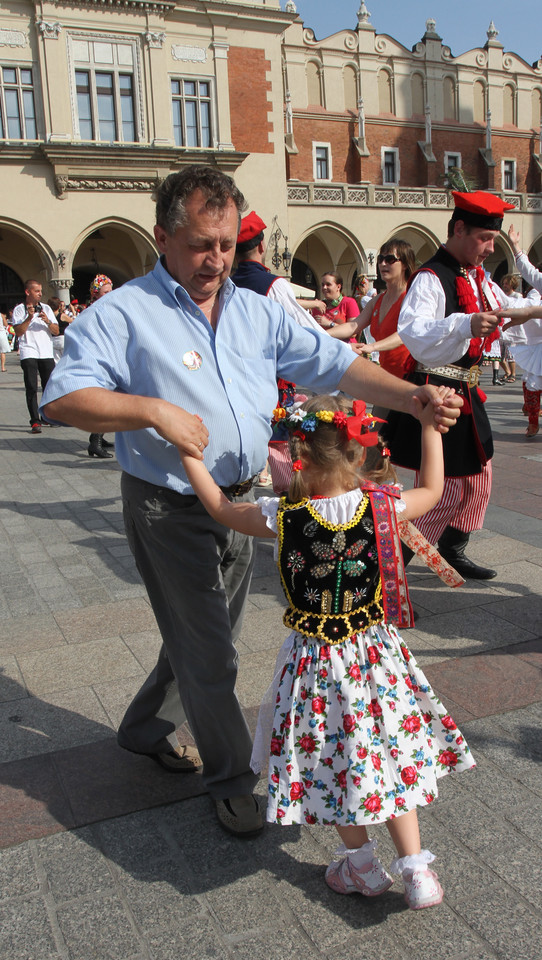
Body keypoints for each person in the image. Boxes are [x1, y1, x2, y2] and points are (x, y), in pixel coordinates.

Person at [41, 165, 462, 839]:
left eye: (227, 245)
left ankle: (144, 725)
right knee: (211, 648)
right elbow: (62, 397)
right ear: (162, 237)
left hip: (247, 498)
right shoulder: (123, 312)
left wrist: (407, 396)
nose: (216, 260)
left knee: (205, 635)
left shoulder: (255, 308)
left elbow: (331, 363)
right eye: (201, 244)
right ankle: (234, 781)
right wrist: (152, 411)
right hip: (168, 503)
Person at [180, 394, 474, 907]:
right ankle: (417, 872)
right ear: (361, 456)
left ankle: (361, 866)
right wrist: (430, 428)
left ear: (298, 457)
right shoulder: (384, 505)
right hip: (376, 658)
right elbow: (434, 487)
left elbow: (222, 509)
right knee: (388, 752)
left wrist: (188, 455)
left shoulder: (283, 514)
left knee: (330, 758)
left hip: (313, 664)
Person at [384, 190, 535, 580]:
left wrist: (527, 313)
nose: (489, 248)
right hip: (439, 391)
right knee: (444, 489)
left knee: (479, 478)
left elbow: (508, 312)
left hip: (467, 391)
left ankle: (453, 548)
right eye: (484, 238)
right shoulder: (433, 276)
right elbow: (413, 332)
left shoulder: (476, 276)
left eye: (493, 240)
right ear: (459, 228)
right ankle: (390, 567)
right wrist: (464, 324)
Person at [232, 211, 323, 485]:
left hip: (236, 377)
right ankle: (288, 497)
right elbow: (306, 330)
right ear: (262, 246)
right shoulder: (272, 285)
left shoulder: (227, 285)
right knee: (279, 439)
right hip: (270, 378)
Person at [327, 240, 415, 385]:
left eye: (390, 259)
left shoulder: (410, 297)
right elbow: (353, 326)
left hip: (409, 377)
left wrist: (372, 347)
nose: (383, 264)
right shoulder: (377, 300)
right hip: (386, 376)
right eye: (381, 259)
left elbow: (405, 333)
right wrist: (319, 332)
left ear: (405, 264)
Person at [12, 280, 59, 433]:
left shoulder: (46, 308)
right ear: (28, 292)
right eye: (37, 291)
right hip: (29, 351)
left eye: (40, 291)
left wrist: (47, 321)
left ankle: (47, 416)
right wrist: (29, 317)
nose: (40, 293)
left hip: (45, 351)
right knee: (31, 386)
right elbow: (18, 331)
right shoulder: (19, 309)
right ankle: (34, 420)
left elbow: (56, 331)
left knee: (48, 386)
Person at [86, 275, 115, 459]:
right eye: (106, 291)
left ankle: (97, 438)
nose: (110, 294)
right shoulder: (94, 311)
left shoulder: (107, 308)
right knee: (106, 404)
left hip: (110, 359)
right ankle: (94, 443)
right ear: (96, 294)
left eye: (111, 290)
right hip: (101, 361)